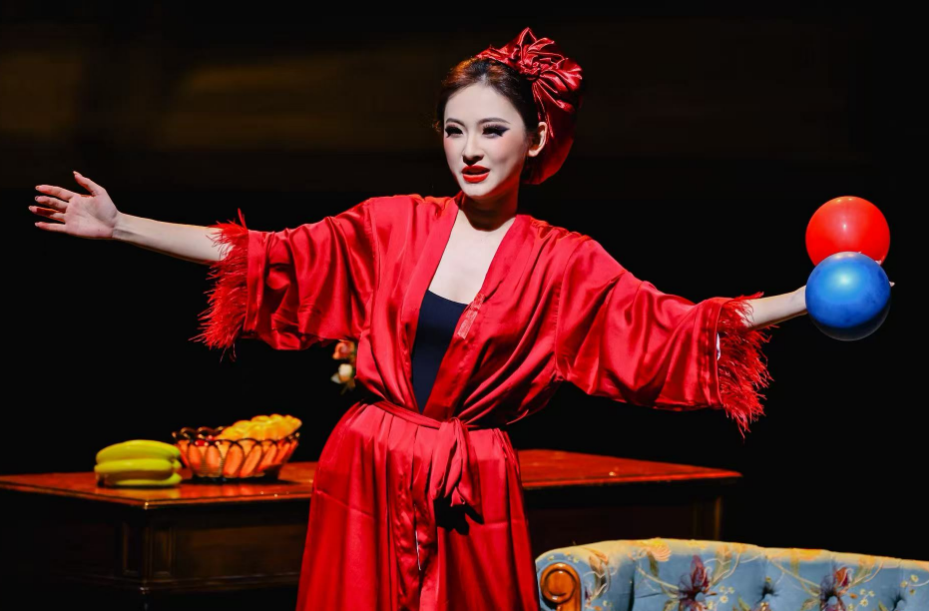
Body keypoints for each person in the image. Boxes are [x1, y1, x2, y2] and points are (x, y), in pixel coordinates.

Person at [30, 26, 809, 611]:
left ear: (537, 137)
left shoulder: (564, 260)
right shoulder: (391, 224)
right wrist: (122, 225)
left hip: (472, 475)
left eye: (492, 130)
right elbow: (264, 254)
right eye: (454, 129)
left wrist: (805, 299)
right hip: (367, 462)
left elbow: (674, 326)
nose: (469, 149)